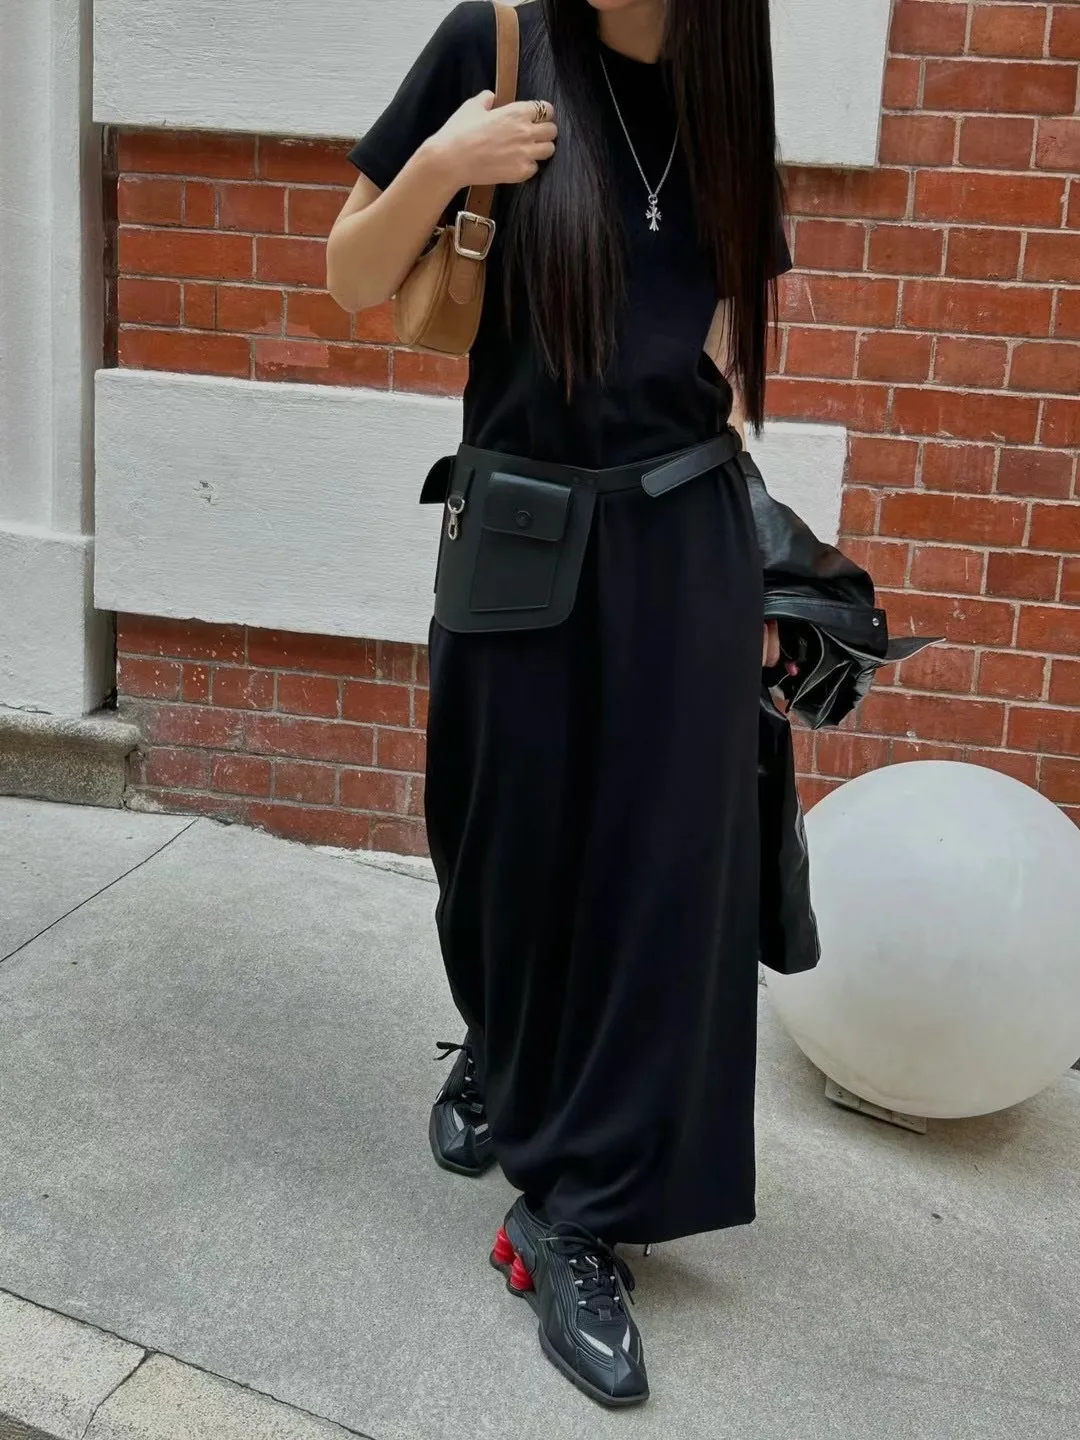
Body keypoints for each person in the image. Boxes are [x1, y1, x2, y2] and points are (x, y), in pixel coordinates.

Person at [328, 0, 789, 1409]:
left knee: (659, 890)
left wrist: (764, 561)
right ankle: (502, 1041)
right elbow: (351, 275)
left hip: (683, 537)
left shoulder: (728, 80)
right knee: (499, 849)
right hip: (524, 527)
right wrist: (444, 165)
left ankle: (575, 1214)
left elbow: (724, 354)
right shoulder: (497, 42)